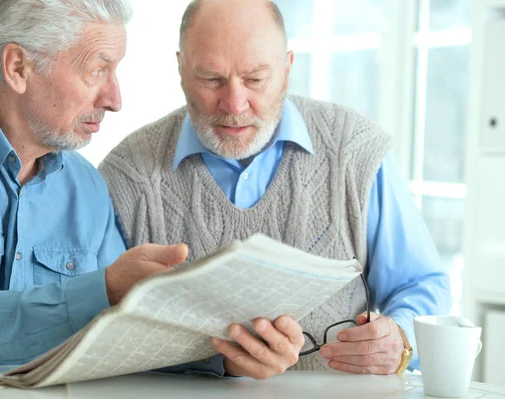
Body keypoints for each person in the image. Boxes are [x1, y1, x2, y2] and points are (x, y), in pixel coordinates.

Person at [100, 0, 452, 379]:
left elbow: (421, 285)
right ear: (181, 69)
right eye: (211, 79)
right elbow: (101, 334)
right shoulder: (126, 174)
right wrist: (220, 362)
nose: (234, 104)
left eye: (255, 79)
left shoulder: (355, 153)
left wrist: (400, 336)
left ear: (287, 68)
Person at [0, 0, 191, 382]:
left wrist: (227, 353)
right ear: (18, 68)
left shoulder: (86, 185)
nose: (114, 99)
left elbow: (126, 333)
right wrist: (103, 290)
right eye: (96, 70)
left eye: (115, 71)